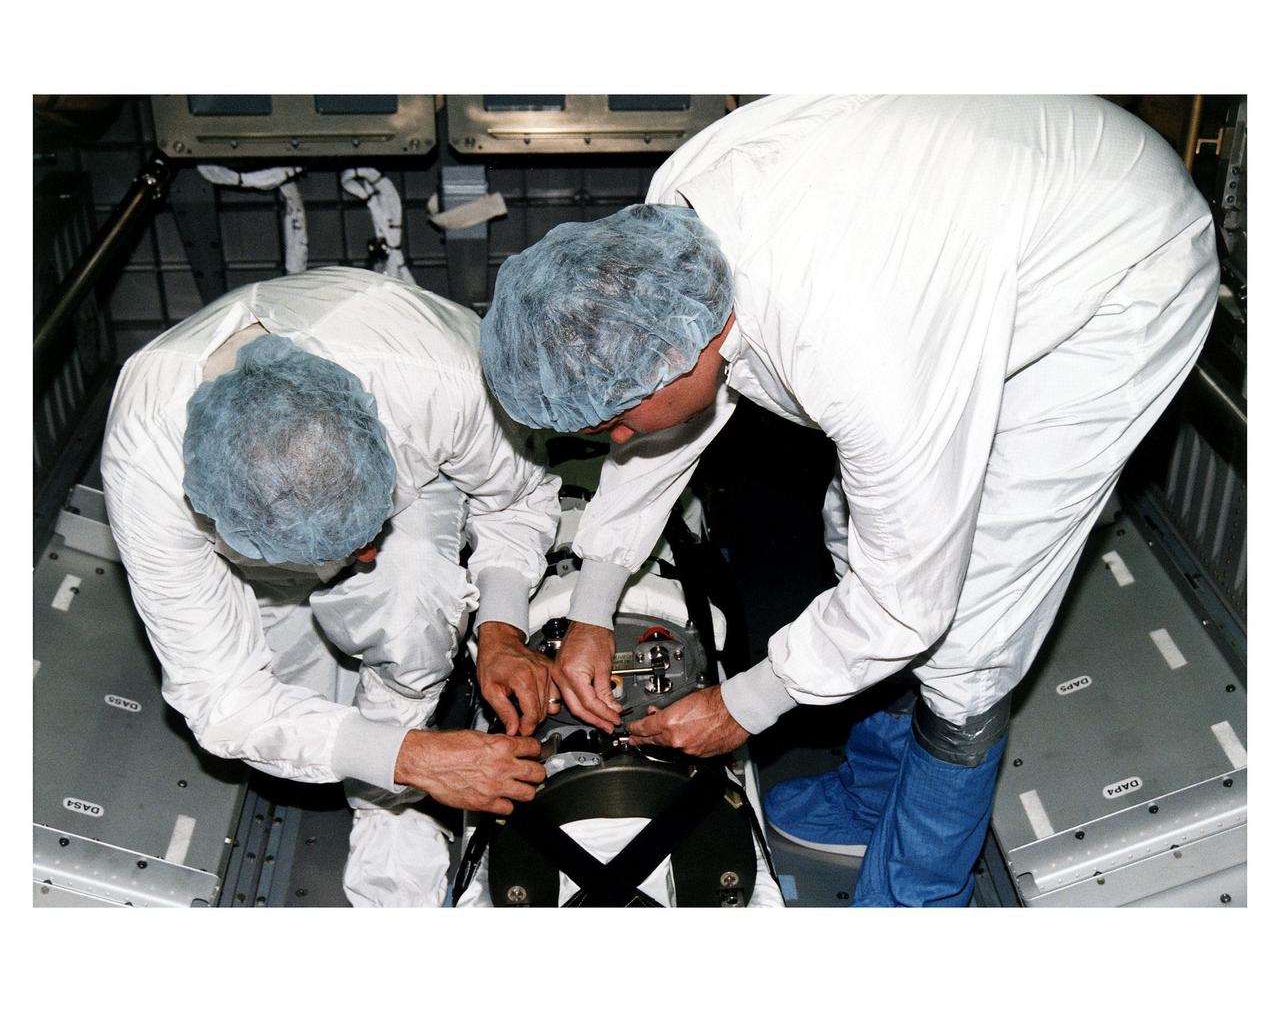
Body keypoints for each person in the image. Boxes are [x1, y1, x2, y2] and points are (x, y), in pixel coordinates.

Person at [478, 95, 1219, 906]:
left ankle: (915, 895)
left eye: (616, 422)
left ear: (675, 357)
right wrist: (591, 608)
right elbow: (667, 426)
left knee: (972, 618)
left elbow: (906, 601)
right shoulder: (669, 244)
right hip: (966, 231)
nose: (618, 441)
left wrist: (744, 704)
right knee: (855, 529)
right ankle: (871, 801)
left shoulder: (854, 350)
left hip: (1115, 270)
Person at [101, 266, 560, 907]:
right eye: (345, 550)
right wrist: (406, 756)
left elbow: (516, 497)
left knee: (411, 596)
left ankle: (389, 805)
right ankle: (400, 763)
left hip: (409, 485)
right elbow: (227, 699)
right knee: (304, 712)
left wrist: (502, 630)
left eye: (367, 533)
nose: (364, 558)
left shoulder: (435, 374)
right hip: (252, 558)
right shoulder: (146, 475)